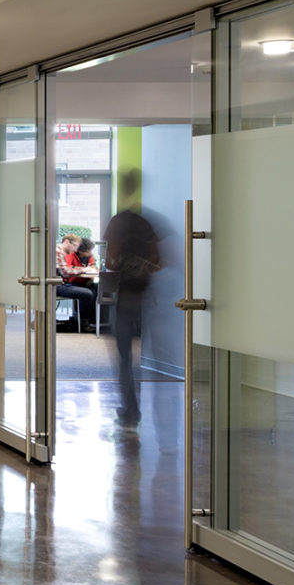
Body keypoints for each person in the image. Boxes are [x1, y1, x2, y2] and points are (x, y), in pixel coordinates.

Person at [103, 171, 161, 428]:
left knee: (125, 357)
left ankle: (131, 410)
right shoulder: (145, 223)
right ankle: (150, 410)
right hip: (146, 297)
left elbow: (111, 263)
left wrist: (122, 263)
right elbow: (158, 262)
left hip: (124, 296)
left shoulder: (118, 222)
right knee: (149, 355)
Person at [54, 233, 97, 332]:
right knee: (88, 293)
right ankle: (82, 323)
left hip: (60, 283)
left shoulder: (60, 251)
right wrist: (84, 269)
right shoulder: (58, 252)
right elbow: (66, 272)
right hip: (57, 285)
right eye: (75, 246)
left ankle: (85, 321)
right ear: (67, 242)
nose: (76, 249)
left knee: (93, 289)